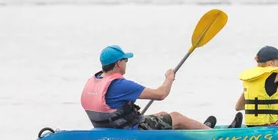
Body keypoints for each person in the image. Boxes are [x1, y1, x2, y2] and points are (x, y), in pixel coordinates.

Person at [81, 45, 215, 130]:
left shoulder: (93, 81)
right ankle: (212, 135)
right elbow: (161, 94)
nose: (126, 64)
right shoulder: (120, 85)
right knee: (176, 117)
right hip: (126, 131)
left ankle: (199, 129)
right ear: (118, 63)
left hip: (107, 128)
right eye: (125, 60)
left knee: (163, 115)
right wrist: (169, 78)